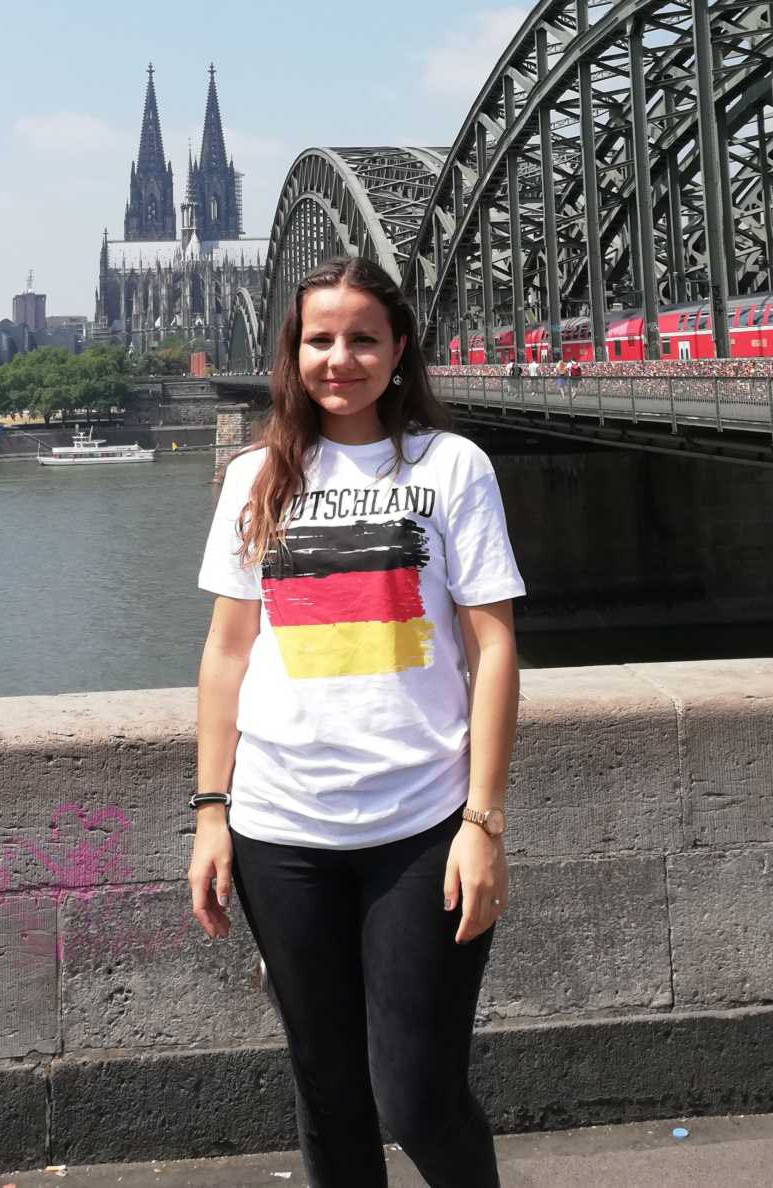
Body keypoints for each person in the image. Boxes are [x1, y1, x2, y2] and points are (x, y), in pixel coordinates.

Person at [190, 255, 525, 1188]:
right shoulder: (253, 477)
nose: (340, 359)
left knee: (418, 1098)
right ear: (293, 352)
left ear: (401, 347)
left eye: (364, 338)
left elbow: (494, 647)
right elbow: (226, 654)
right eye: (320, 339)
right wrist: (211, 813)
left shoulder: (451, 466)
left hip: (421, 827)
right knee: (328, 1096)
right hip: (280, 827)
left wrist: (483, 820)